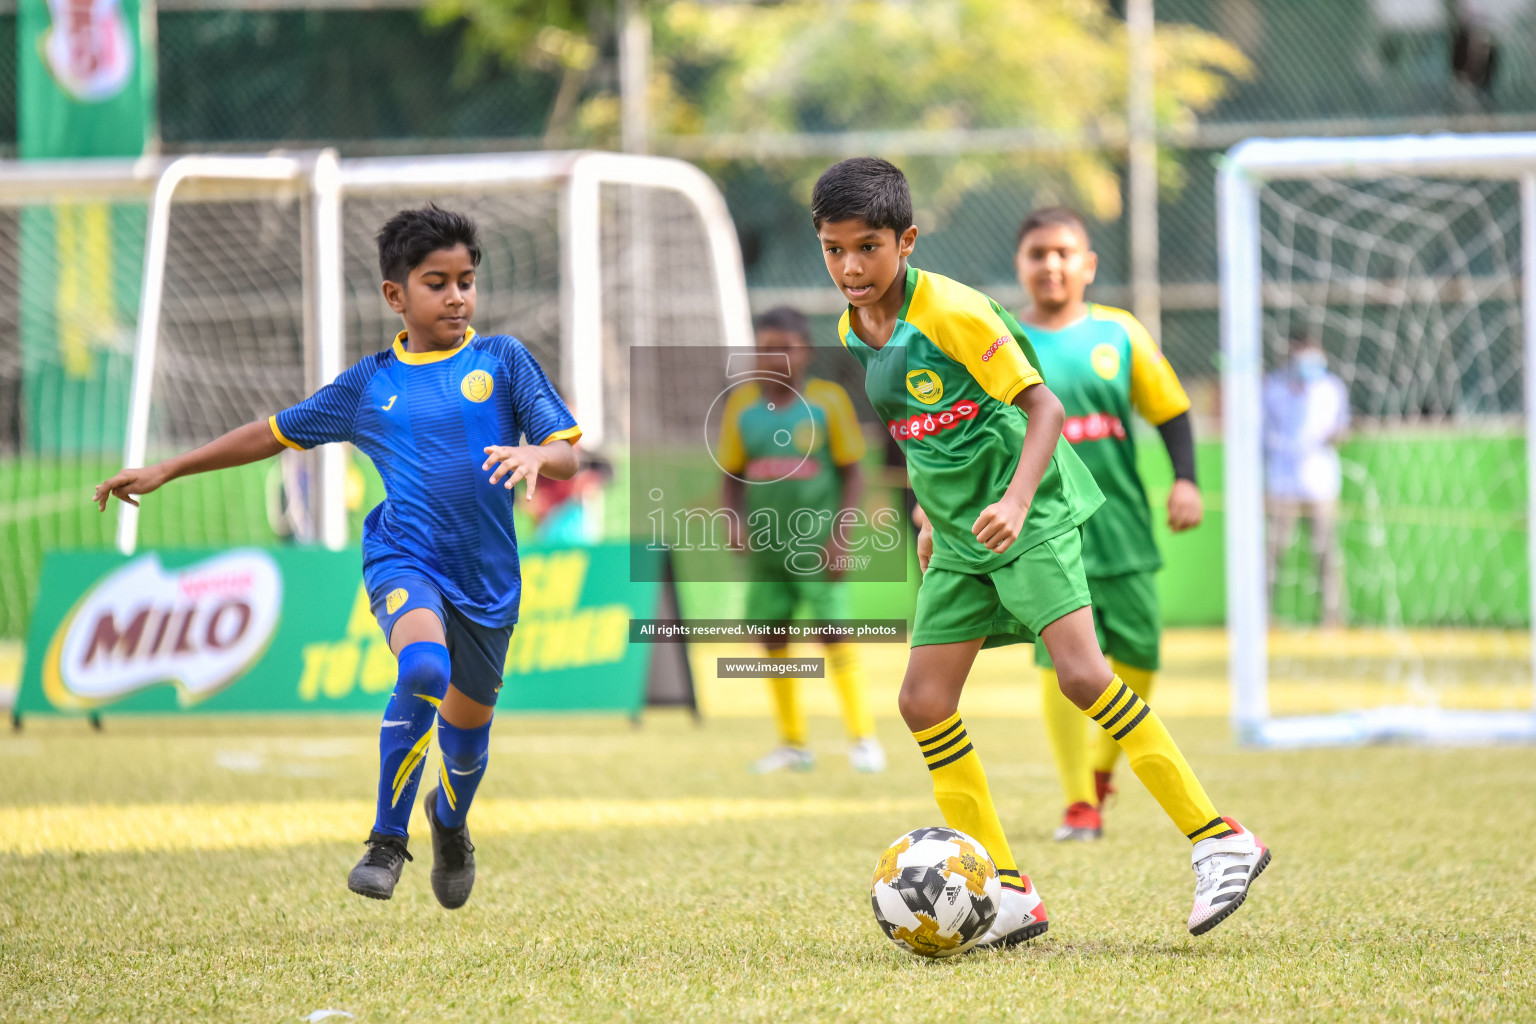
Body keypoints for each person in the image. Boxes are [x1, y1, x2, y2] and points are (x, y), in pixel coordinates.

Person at [814, 157, 1269, 945]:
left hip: (1029, 513)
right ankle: (1011, 891)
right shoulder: (853, 328)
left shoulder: (954, 312)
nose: (851, 267)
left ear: (906, 241)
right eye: (834, 248)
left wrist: (1017, 500)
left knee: (1085, 675)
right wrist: (927, 511)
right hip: (958, 535)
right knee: (923, 701)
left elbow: (1043, 407)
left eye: (868, 247)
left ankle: (1219, 838)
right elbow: (918, 429)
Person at [93, 205, 580, 909]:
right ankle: (387, 841)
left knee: (467, 744)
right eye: (436, 282)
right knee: (421, 665)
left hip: (489, 583)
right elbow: (271, 433)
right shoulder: (366, 386)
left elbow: (566, 454)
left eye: (466, 281)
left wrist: (538, 451)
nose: (456, 296)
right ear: (396, 296)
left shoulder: (503, 360)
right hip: (404, 557)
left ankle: (449, 820)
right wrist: (166, 469)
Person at [1013, 207, 1204, 843]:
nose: (1051, 265)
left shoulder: (1119, 334)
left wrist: (1186, 479)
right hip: (1046, 529)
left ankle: (1100, 770)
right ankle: (1077, 803)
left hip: (1120, 524)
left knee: (1141, 654)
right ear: (1022, 265)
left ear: (1088, 265)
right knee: (1057, 663)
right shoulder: (1002, 341)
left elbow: (1172, 412)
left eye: (1064, 252)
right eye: (1038, 253)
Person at [717, 306, 885, 774]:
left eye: (784, 347)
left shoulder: (827, 401)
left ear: (805, 352)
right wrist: (732, 520)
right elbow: (730, 475)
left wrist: (841, 537)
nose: (774, 357)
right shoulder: (741, 406)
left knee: (833, 635)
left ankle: (863, 739)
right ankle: (793, 742)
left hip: (817, 546)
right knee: (772, 637)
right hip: (767, 550)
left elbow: (854, 474)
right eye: (764, 347)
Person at [1264, 331, 1350, 627]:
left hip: (1321, 482)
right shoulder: (1273, 388)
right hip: (1281, 482)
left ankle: (1333, 618)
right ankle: (1264, 617)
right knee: (1273, 552)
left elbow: (1343, 429)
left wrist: (1333, 436)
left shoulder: (1332, 388)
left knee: (1326, 551)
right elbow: (1263, 436)